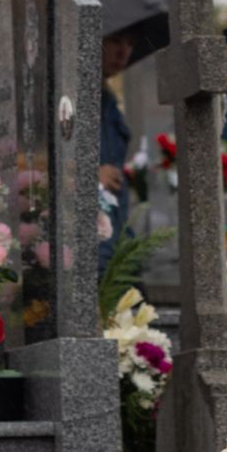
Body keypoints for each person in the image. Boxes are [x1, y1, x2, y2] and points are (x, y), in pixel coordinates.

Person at [97, 28, 136, 276]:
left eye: (129, 43)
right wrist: (89, 175)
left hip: (116, 231)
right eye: (114, 40)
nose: (123, 51)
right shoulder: (69, 96)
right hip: (91, 239)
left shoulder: (109, 102)